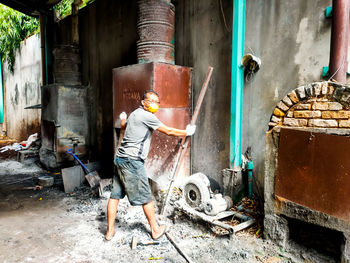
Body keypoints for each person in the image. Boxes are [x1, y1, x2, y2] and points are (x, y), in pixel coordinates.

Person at [105, 90, 196, 241]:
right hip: (132, 161)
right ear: (143, 102)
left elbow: (124, 127)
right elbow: (168, 130)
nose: (154, 104)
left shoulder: (134, 113)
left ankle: (110, 231)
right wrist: (186, 132)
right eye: (150, 101)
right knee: (146, 196)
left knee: (115, 196)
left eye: (156, 102)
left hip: (120, 159)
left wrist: (122, 120)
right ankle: (155, 230)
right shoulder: (147, 116)